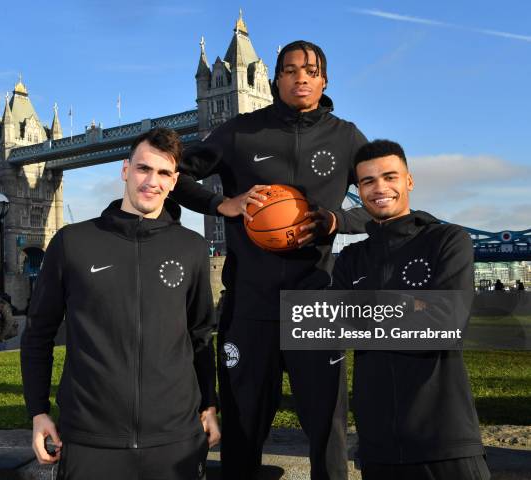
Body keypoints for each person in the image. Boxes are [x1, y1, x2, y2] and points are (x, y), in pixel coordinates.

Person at [170, 40, 369, 479]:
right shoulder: (239, 131)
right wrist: (220, 204)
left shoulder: (347, 136)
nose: (302, 77)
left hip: (316, 301)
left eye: (311, 70)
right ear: (274, 79)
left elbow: (381, 200)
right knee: (243, 425)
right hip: (249, 303)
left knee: (327, 429)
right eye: (291, 69)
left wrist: (339, 220)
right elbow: (174, 174)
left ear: (324, 80)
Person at [20, 127, 220, 480]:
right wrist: (37, 411)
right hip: (90, 439)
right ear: (126, 171)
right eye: (144, 169)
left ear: (174, 181)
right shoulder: (72, 242)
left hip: (174, 439)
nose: (152, 181)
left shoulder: (191, 247)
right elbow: (38, 335)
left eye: (163, 173)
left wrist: (208, 403)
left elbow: (200, 334)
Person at [331, 139, 489, 480]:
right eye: (368, 182)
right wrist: (415, 306)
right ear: (359, 189)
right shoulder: (351, 258)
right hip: (377, 444)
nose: (379, 188)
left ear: (409, 181)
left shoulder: (448, 240)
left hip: (444, 438)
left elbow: (445, 325)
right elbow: (331, 327)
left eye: (390, 177)